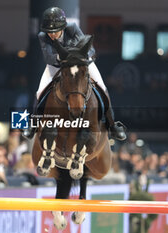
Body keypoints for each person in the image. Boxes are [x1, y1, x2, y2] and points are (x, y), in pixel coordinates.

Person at [22, 7, 126, 141]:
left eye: (55, 31)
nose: (52, 35)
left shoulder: (72, 28)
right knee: (39, 91)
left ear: (63, 27)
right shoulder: (42, 36)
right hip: (56, 66)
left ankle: (112, 125)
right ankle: (33, 123)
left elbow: (90, 49)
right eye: (50, 32)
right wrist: (65, 58)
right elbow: (48, 58)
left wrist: (81, 57)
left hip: (81, 64)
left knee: (103, 88)